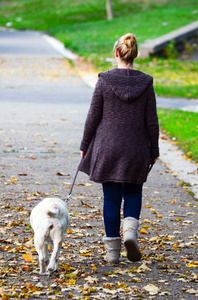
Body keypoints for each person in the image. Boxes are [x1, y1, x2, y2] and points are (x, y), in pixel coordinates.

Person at [79, 33, 159, 264]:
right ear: (135, 54)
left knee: (111, 198)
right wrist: (154, 149)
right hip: (136, 147)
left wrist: (84, 145)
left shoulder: (104, 80)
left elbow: (93, 117)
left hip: (108, 148)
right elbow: (151, 121)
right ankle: (131, 233)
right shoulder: (146, 82)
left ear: (116, 53)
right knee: (133, 191)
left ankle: (112, 253)